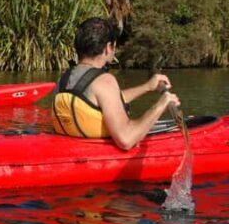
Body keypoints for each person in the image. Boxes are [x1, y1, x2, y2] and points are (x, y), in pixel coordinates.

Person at [52, 17, 180, 150]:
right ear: (108, 47)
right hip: (97, 157)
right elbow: (126, 140)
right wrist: (161, 104)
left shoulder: (64, 79)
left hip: (76, 148)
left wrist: (147, 87)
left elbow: (103, 101)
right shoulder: (104, 81)